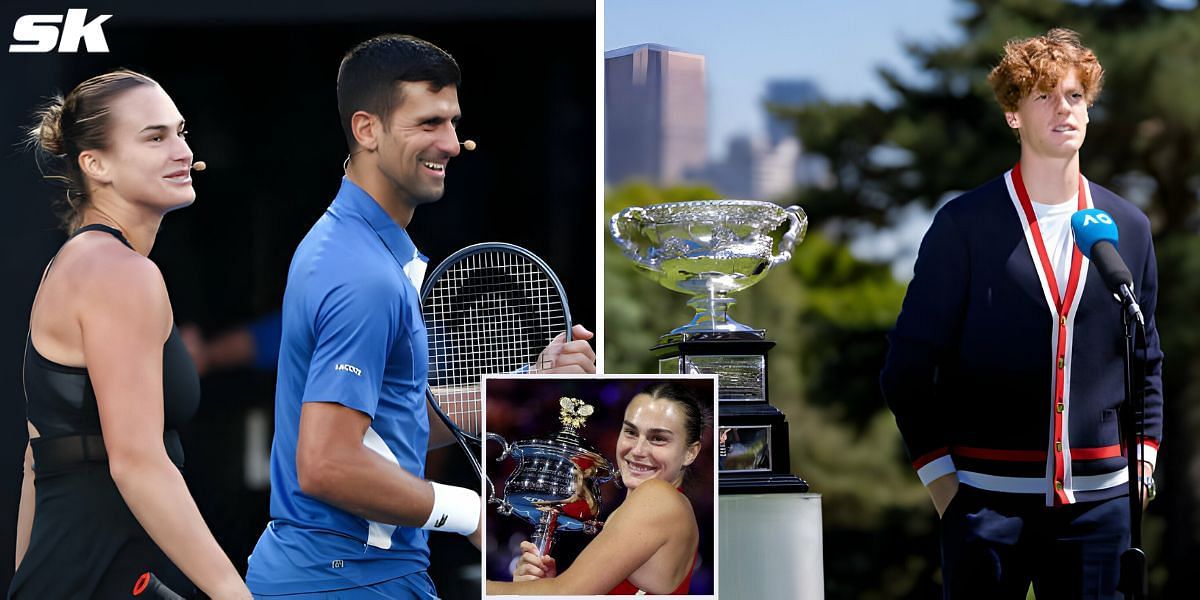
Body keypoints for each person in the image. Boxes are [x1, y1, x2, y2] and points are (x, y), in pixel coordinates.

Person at [245, 34, 595, 598]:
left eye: (453, 122)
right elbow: (327, 463)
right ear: (367, 130)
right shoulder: (361, 273)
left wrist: (531, 383)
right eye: (429, 123)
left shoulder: (370, 252)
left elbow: (390, 427)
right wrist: (471, 511)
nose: (452, 143)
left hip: (356, 577)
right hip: (344, 583)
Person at [880, 28, 1163, 599]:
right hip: (985, 509)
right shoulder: (964, 226)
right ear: (1013, 114)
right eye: (1044, 95)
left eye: (1076, 95)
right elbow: (905, 371)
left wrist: (1146, 462)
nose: (1065, 108)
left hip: (1103, 509)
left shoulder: (1127, 226)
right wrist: (945, 488)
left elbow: (1146, 356)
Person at [10, 70, 250, 599]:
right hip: (101, 567)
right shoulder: (119, 272)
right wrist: (235, 594)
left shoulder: (79, 263)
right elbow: (138, 463)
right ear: (95, 165)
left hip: (82, 568)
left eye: (181, 132)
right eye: (155, 137)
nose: (182, 151)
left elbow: (37, 459)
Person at [485, 382, 706, 595]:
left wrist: (477, 589)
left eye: (658, 439)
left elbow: (565, 592)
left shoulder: (658, 497)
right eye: (630, 432)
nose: (638, 450)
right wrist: (538, 589)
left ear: (691, 453)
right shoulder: (668, 506)